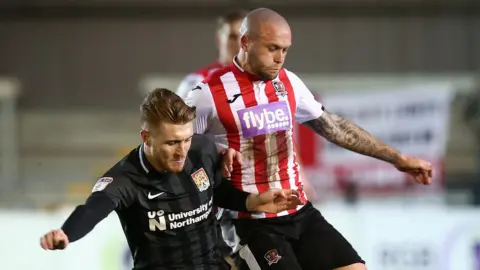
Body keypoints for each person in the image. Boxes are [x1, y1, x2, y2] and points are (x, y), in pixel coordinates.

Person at [185, 8, 433, 270]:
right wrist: (211, 159)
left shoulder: (289, 83)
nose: (280, 58)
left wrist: (398, 158)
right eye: (272, 48)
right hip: (250, 222)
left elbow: (333, 127)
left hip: (300, 212)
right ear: (246, 42)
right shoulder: (207, 94)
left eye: (285, 50)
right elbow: (177, 150)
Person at [39, 88, 303, 270]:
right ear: (146, 137)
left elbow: (217, 192)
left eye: (186, 139)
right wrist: (67, 233)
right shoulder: (125, 178)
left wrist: (253, 201)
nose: (182, 151)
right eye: (172, 143)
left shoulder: (202, 149)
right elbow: (92, 209)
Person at [175, 9, 248, 99]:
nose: (239, 43)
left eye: (243, 37)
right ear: (219, 40)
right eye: (232, 37)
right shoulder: (196, 81)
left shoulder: (261, 81)